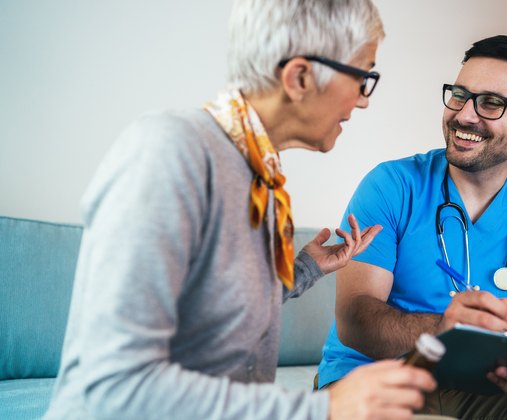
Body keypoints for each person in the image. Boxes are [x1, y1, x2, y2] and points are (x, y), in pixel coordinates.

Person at [43, 1, 437, 419]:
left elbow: (209, 313)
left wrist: (303, 270)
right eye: (362, 76)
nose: (364, 101)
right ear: (300, 77)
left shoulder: (257, 175)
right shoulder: (170, 151)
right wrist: (322, 409)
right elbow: (114, 385)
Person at [317, 35, 507, 419]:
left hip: (484, 385)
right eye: (460, 95)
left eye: (492, 103)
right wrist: (442, 328)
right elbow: (355, 320)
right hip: (380, 377)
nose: (465, 115)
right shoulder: (392, 184)